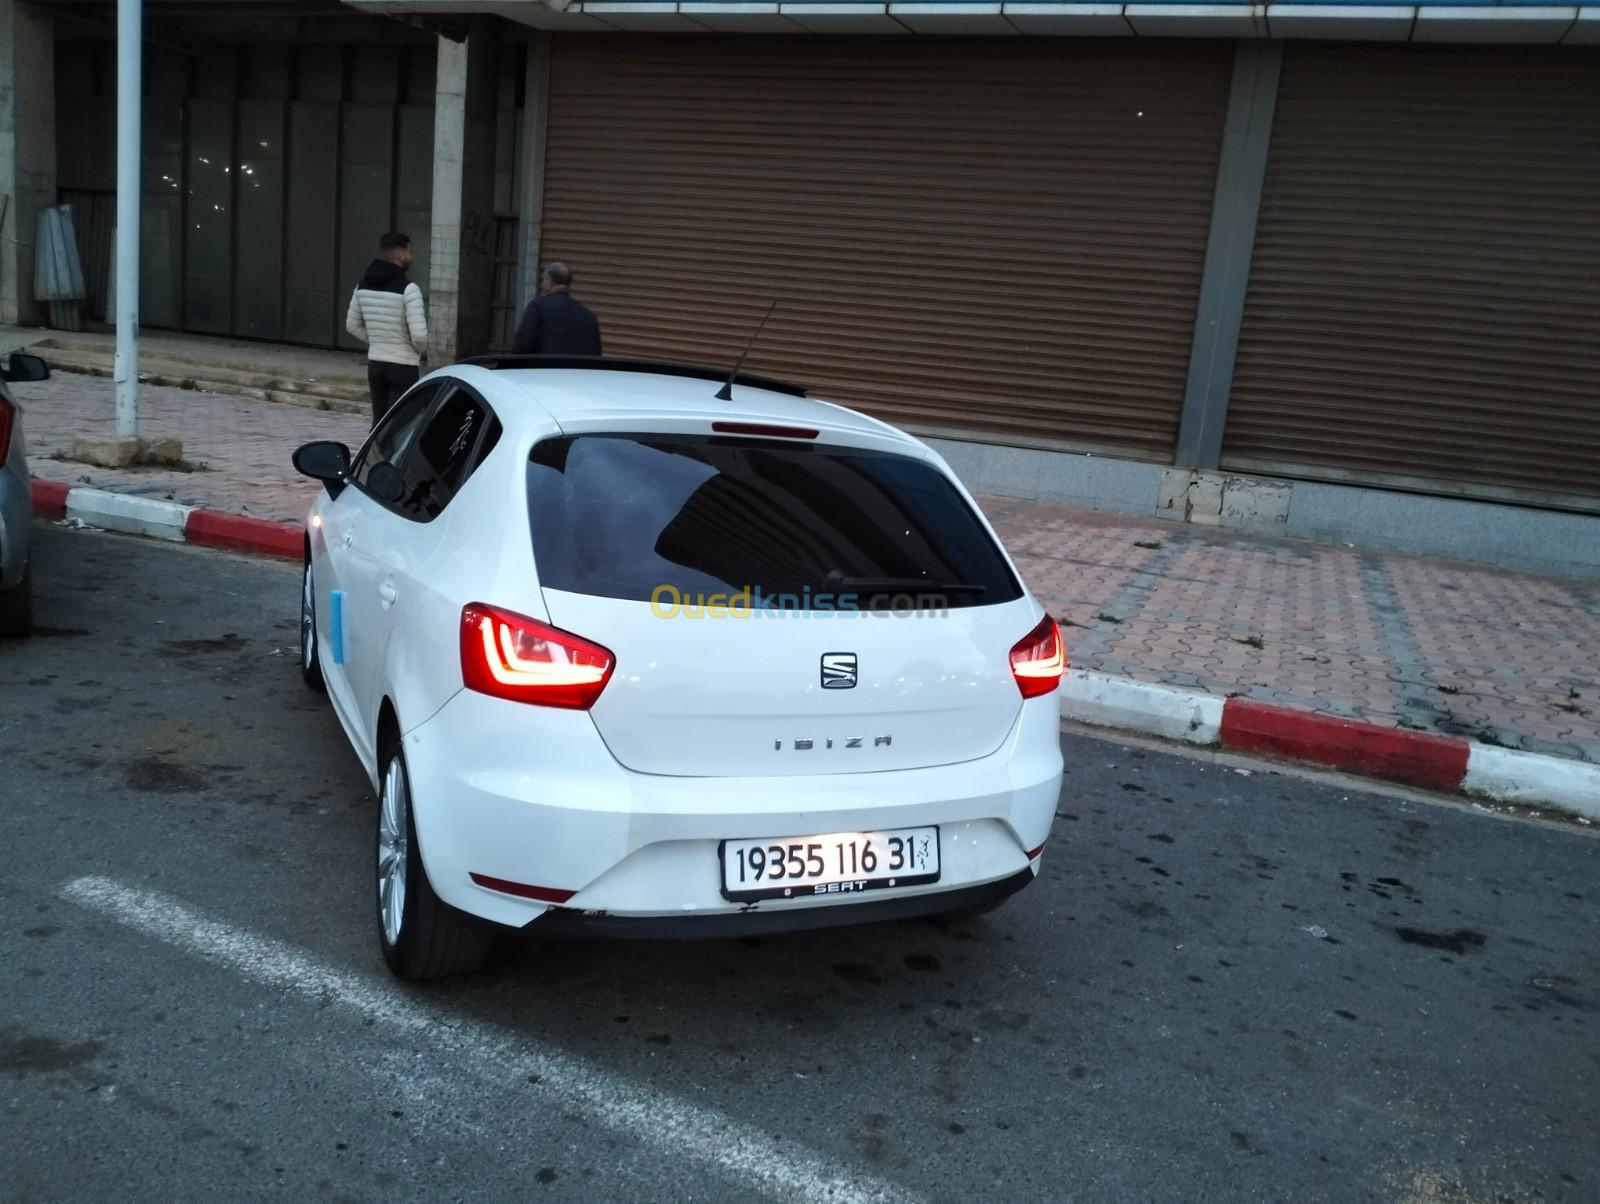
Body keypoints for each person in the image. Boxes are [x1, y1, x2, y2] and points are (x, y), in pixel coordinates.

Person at [346, 232, 428, 425]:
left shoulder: (362, 286)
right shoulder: (409, 289)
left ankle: (373, 455)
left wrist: (377, 340)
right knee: (400, 424)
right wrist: (415, 349)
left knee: (379, 423)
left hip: (376, 364)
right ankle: (392, 457)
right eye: (410, 251)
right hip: (403, 366)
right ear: (401, 253)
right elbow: (419, 336)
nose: (412, 257)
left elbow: (351, 325)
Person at [512, 262, 602, 357]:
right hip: (577, 371)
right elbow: (595, 353)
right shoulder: (588, 316)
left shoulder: (537, 307)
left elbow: (523, 345)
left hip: (544, 370)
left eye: (543, 279)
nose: (542, 283)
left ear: (548, 282)